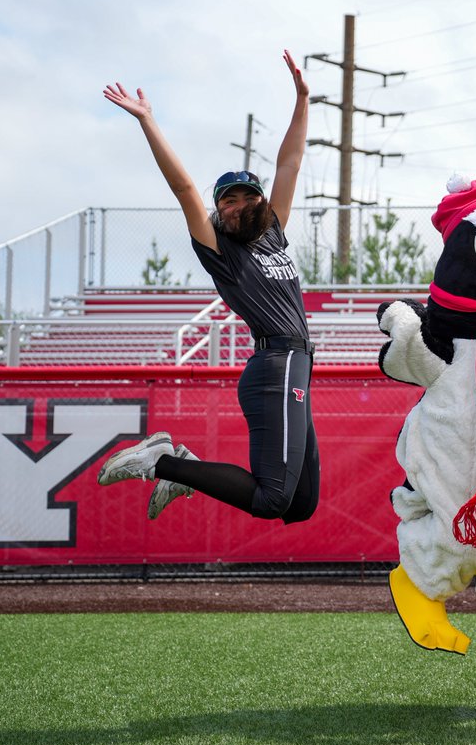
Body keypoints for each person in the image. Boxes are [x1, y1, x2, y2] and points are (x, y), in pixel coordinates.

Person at [95, 51, 320, 525]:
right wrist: (147, 122)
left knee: (300, 505)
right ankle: (160, 461)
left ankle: (186, 471)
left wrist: (302, 99)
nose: (240, 204)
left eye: (248, 195)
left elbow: (291, 161)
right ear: (220, 209)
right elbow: (184, 189)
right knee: (271, 499)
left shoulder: (272, 232)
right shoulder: (222, 249)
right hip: (275, 365)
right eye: (228, 199)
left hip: (295, 366)